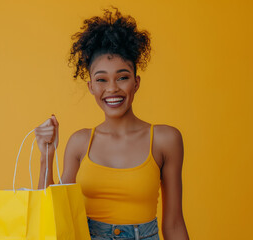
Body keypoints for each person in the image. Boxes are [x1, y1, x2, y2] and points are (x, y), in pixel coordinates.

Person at [34, 6, 189, 240]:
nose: (112, 88)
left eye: (122, 77)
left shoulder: (165, 140)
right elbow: (53, 217)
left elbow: (174, 224)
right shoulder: (80, 142)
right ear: (91, 87)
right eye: (101, 79)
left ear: (136, 83)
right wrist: (46, 154)